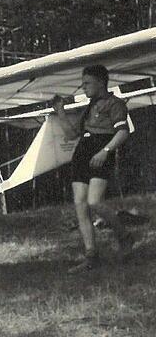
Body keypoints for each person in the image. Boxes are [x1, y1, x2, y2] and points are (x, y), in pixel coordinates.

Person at [51, 65, 134, 273]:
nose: (83, 87)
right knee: (80, 204)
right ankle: (91, 256)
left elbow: (123, 132)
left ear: (100, 82)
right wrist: (60, 112)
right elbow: (71, 135)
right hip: (81, 155)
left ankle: (125, 236)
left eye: (87, 83)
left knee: (94, 202)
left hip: (100, 155)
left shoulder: (115, 104)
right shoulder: (89, 107)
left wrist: (105, 151)